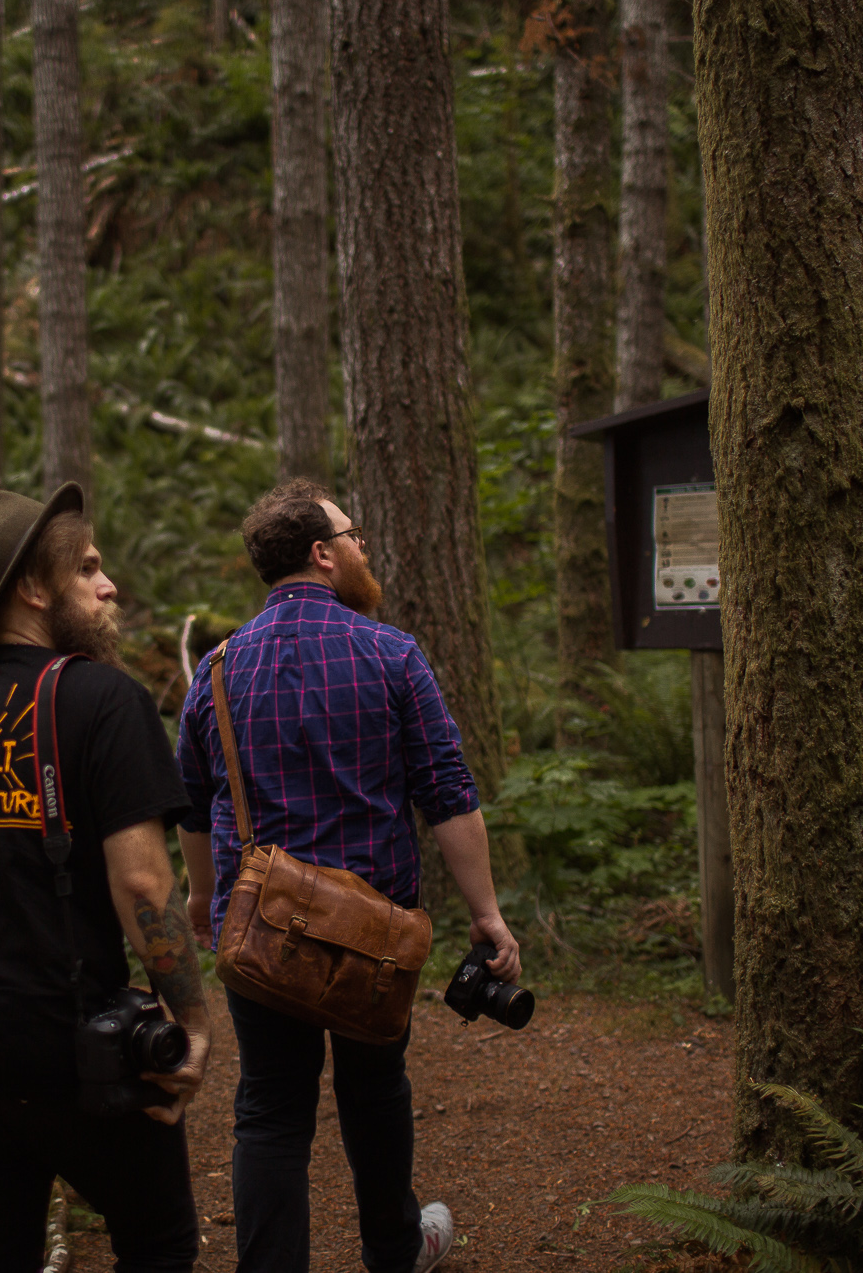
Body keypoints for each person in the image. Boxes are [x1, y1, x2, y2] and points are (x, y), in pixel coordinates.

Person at [176, 479, 522, 1273]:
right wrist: (488, 914)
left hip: (261, 929)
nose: (364, 546)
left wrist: (202, 897)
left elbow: (191, 804)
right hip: (377, 933)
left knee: (269, 1108)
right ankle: (395, 1252)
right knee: (375, 1087)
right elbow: (447, 792)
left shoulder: (218, 669)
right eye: (354, 534)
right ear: (321, 554)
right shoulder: (392, 652)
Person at [0, 483, 211, 1273]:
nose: (109, 586)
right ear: (34, 591)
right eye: (88, 568)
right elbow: (143, 885)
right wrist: (192, 1021)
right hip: (68, 1044)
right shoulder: (106, 700)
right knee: (160, 1241)